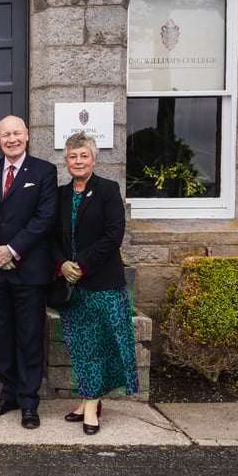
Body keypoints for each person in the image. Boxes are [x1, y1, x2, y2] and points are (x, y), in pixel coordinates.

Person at [0, 115, 57, 429]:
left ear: (28, 136)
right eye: (5, 134)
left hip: (29, 270)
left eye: (16, 133)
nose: (11, 139)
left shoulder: (45, 171)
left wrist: (13, 249)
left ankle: (29, 401)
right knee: (2, 336)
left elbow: (45, 218)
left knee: (29, 336)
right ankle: (8, 393)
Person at [54, 132, 139, 435]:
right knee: (81, 346)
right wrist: (62, 264)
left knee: (101, 344)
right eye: (73, 156)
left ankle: (91, 405)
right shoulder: (61, 195)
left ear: (93, 159)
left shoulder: (107, 190)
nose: (78, 161)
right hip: (72, 286)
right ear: (66, 161)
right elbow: (51, 237)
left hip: (102, 283)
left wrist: (83, 264)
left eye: (83, 156)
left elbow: (114, 234)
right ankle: (89, 397)